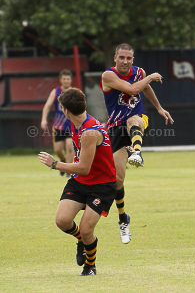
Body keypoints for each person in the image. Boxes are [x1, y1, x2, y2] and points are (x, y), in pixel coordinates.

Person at [38, 88, 117, 276]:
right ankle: (82, 240)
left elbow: (84, 168)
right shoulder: (75, 122)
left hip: (102, 185)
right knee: (62, 221)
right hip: (80, 182)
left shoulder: (89, 132)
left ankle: (90, 266)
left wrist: (55, 164)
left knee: (87, 229)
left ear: (65, 110)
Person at [101, 43, 174, 244]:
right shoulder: (108, 76)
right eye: (122, 57)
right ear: (115, 58)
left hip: (136, 118)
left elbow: (145, 88)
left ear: (133, 59)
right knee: (117, 180)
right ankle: (123, 218)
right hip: (115, 127)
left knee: (134, 120)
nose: (125, 61)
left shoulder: (138, 72)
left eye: (129, 58)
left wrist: (158, 108)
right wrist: (149, 77)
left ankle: (137, 152)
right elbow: (135, 88)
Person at [41, 69, 73, 177]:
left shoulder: (74, 92)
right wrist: (44, 119)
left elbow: (81, 107)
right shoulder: (56, 92)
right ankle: (63, 161)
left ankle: (68, 170)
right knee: (58, 149)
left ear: (71, 80)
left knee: (69, 146)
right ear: (60, 80)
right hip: (58, 126)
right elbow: (47, 106)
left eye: (68, 79)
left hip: (71, 125)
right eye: (64, 79)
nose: (66, 81)